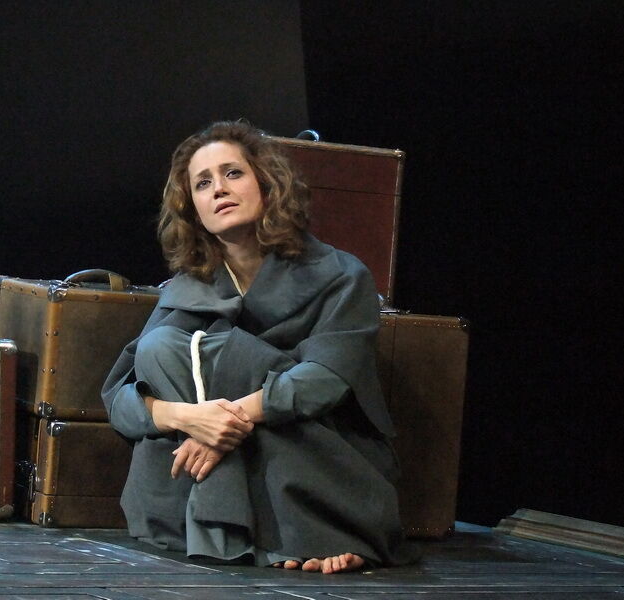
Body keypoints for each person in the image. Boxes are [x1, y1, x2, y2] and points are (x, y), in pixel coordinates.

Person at [102, 120, 415, 574]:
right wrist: (190, 419)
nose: (218, 189)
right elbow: (120, 399)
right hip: (181, 497)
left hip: (309, 457)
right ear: (193, 209)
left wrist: (230, 421)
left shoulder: (341, 275)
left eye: (233, 173)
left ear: (267, 184)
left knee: (225, 358)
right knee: (162, 347)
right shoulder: (186, 289)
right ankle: (245, 530)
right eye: (202, 183)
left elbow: (325, 380)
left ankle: (280, 530)